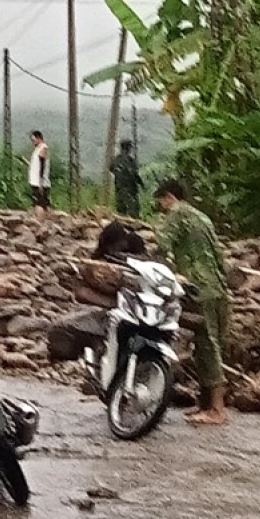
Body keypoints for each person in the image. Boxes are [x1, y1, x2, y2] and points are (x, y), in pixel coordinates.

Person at [153, 179, 231, 426]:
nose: (162, 208)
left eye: (161, 202)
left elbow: (162, 246)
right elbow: (219, 255)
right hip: (217, 287)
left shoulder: (176, 214)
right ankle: (205, 403)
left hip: (198, 289)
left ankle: (217, 410)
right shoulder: (202, 217)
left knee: (207, 346)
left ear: (169, 197)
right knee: (214, 342)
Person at [110, 140, 142, 218]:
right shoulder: (131, 161)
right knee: (133, 211)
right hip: (130, 190)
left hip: (119, 189)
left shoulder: (116, 160)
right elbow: (134, 174)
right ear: (128, 148)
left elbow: (111, 169)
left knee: (121, 211)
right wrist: (141, 183)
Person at [26, 131, 51, 218]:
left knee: (40, 203)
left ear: (39, 138)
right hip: (35, 180)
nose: (33, 142)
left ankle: (41, 220)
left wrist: (41, 181)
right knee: (43, 202)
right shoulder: (37, 149)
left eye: (34, 140)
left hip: (40, 182)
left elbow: (42, 165)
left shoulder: (43, 148)